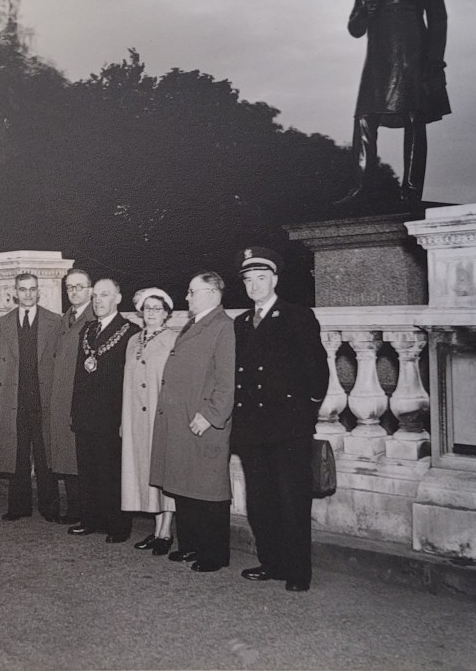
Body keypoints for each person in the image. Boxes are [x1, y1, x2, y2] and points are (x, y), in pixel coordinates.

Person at [336, 0, 450, 206]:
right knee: (364, 118)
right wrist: (365, 13)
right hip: (377, 58)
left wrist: (434, 61)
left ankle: (411, 191)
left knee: (413, 116)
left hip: (410, 50)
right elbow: (354, 28)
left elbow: (437, 16)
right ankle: (360, 189)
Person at [233, 247, 329, 592]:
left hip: (288, 426)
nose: (255, 285)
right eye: (249, 280)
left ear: (274, 279)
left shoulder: (297, 316)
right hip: (252, 428)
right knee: (260, 501)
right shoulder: (241, 323)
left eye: (261, 278)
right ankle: (271, 562)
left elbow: (317, 371)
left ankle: (298, 571)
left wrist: (305, 412)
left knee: (292, 499)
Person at [150, 272, 235, 573]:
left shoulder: (223, 327)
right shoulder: (196, 323)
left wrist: (211, 416)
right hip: (182, 418)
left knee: (209, 489)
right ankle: (190, 545)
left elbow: (227, 382)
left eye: (191, 292)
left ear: (212, 292)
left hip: (202, 420)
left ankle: (214, 554)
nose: (186, 298)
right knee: (185, 483)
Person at [68, 278, 140, 542]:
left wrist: (124, 417)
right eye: (95, 295)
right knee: (87, 469)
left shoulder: (130, 331)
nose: (98, 300)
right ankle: (90, 519)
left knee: (111, 471)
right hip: (86, 413)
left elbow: (131, 380)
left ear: (118, 299)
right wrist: (75, 410)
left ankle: (117, 526)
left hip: (112, 415)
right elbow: (79, 374)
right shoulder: (87, 330)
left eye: (105, 295)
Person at [0, 273, 62, 522]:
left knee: (45, 454)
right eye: (23, 290)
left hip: (45, 398)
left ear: (39, 292)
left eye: (32, 289)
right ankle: (18, 506)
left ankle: (49, 506)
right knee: (17, 453)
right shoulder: (2, 324)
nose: (28, 294)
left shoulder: (56, 321)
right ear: (15, 292)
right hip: (15, 399)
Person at [121, 288, 178, 556]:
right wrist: (124, 419)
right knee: (145, 472)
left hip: (160, 415)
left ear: (166, 313)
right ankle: (155, 529)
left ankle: (166, 530)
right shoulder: (133, 341)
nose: (152, 313)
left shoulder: (174, 341)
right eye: (147, 308)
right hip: (135, 418)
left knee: (163, 472)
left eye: (157, 309)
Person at [49, 268, 95, 524]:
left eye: (79, 286)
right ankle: (74, 507)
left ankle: (86, 510)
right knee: (65, 456)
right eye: (70, 287)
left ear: (90, 289)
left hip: (80, 398)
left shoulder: (94, 317)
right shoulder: (63, 319)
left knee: (81, 457)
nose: (74, 292)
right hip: (60, 398)